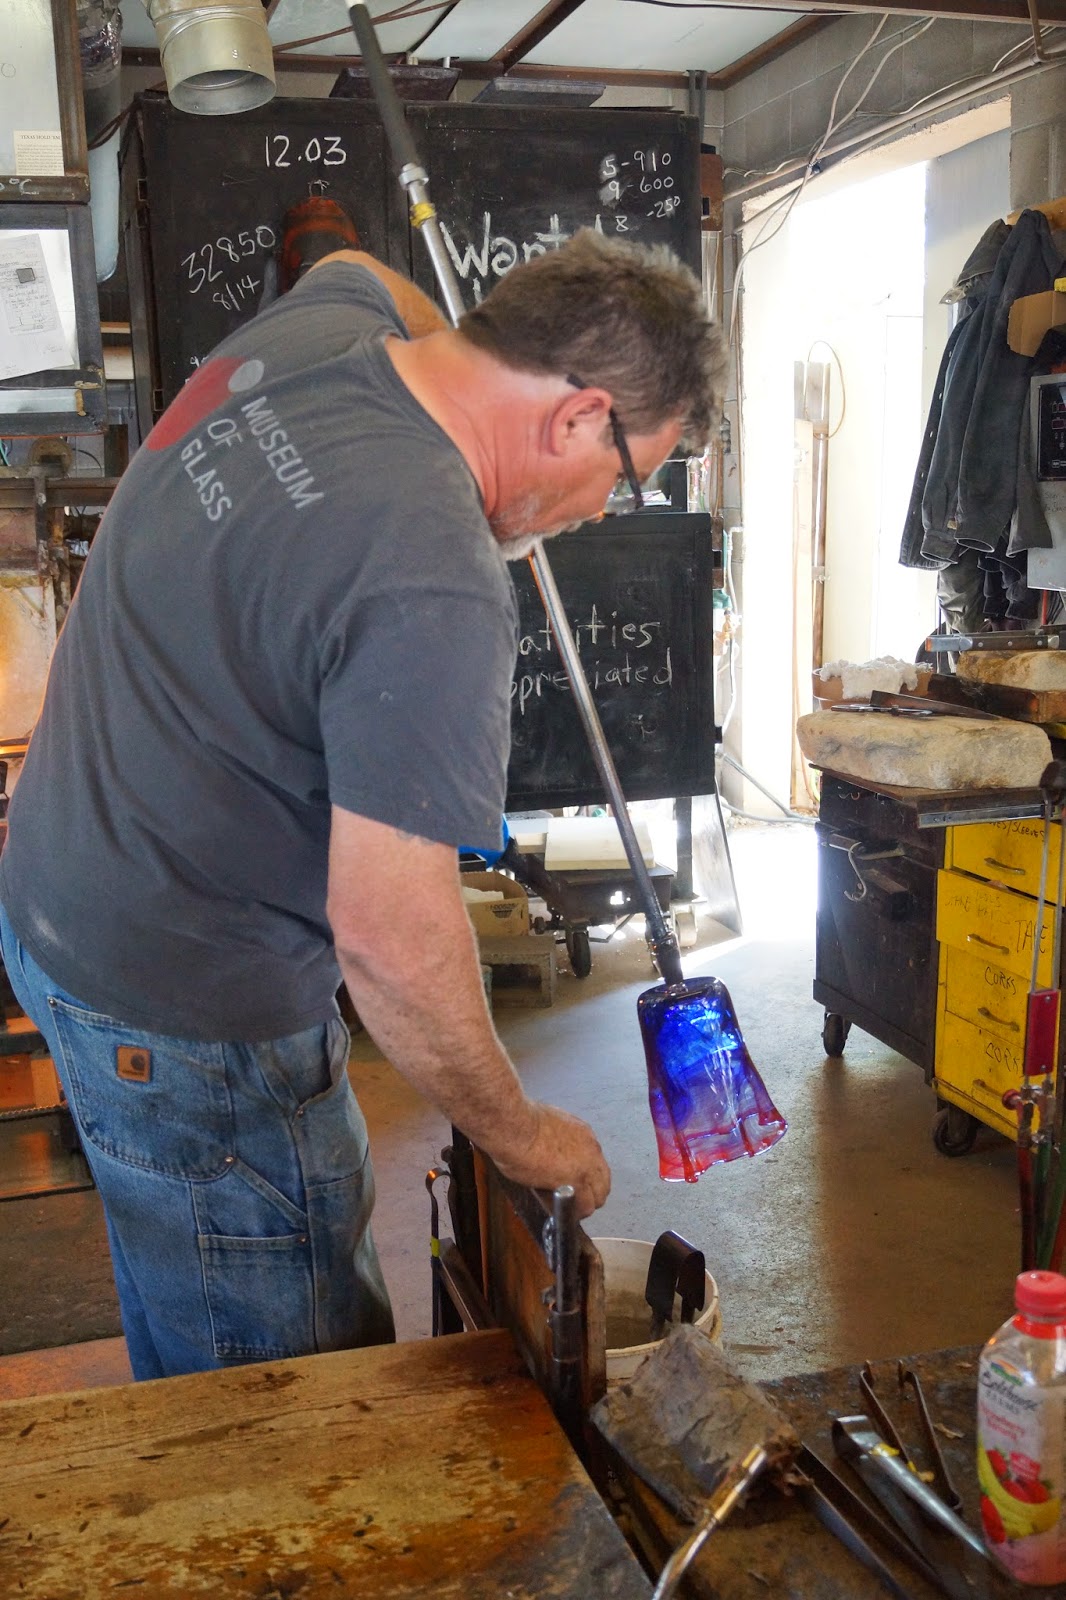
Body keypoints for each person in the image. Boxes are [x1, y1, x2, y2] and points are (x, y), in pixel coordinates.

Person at [0, 226, 725, 1379]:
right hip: (190, 1006)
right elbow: (389, 939)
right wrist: (519, 1128)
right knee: (290, 1399)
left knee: (185, 1307)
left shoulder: (331, 330)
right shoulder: (432, 573)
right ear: (577, 415)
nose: (599, 513)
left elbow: (366, 271)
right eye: (630, 478)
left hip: (65, 899)